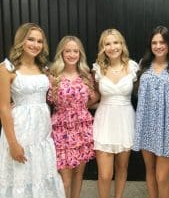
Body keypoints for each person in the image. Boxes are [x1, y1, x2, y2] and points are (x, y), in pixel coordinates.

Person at [0, 23, 65, 198]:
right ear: (20, 41)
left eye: (39, 41)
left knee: (41, 175)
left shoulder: (44, 69)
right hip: (20, 132)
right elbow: (4, 108)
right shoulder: (7, 69)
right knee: (21, 176)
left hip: (42, 133)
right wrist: (13, 144)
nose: (35, 44)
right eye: (30, 39)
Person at [133, 26, 169, 198]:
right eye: (154, 42)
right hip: (146, 125)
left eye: (162, 42)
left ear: (168, 44)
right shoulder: (143, 64)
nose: (158, 46)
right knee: (149, 171)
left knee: (162, 176)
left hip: (167, 127)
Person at [47, 36, 98, 198]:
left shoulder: (86, 75)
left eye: (75, 51)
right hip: (61, 130)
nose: (71, 54)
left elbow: (95, 96)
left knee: (78, 174)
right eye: (67, 51)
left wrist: (81, 109)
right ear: (61, 53)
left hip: (82, 130)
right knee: (65, 178)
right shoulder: (52, 75)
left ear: (80, 53)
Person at [92, 29, 138, 198]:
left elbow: (140, 92)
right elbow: (95, 96)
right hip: (104, 121)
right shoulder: (97, 69)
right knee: (104, 174)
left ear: (122, 44)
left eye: (116, 42)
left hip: (125, 120)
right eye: (108, 43)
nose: (112, 47)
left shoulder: (133, 67)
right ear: (103, 47)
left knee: (122, 168)